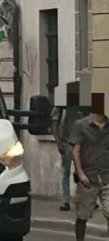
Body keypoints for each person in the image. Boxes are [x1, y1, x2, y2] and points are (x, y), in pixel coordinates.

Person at [71, 92, 109, 241]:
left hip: (107, 176)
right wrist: (80, 173)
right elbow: (76, 151)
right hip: (88, 177)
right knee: (83, 215)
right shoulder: (81, 125)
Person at [53, 83, 84, 211]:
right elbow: (54, 124)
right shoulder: (61, 106)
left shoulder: (82, 105)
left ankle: (83, 199)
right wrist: (59, 142)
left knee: (81, 172)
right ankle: (66, 201)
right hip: (66, 143)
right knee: (66, 172)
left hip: (79, 143)